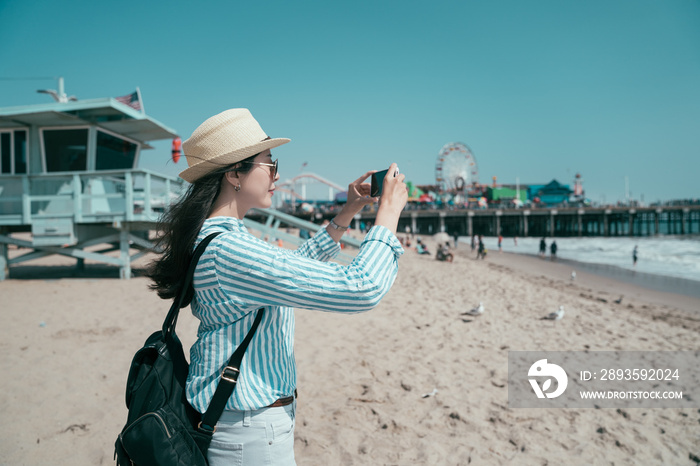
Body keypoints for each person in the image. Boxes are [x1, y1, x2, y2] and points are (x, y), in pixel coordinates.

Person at [146, 108, 408, 465]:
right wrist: (388, 215)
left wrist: (346, 213)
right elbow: (361, 288)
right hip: (249, 433)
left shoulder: (222, 240)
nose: (277, 174)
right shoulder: (229, 250)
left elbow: (286, 271)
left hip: (244, 425)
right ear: (234, 174)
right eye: (270, 163)